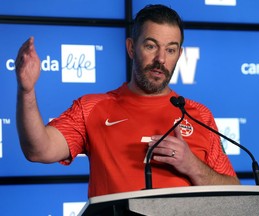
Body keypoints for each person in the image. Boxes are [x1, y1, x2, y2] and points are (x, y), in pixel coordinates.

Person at [15, 4, 240, 198]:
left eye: (170, 50)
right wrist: (27, 91)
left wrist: (192, 166)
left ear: (179, 55)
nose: (160, 59)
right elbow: (39, 150)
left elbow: (235, 192)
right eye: (151, 46)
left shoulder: (197, 114)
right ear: (131, 48)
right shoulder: (92, 108)